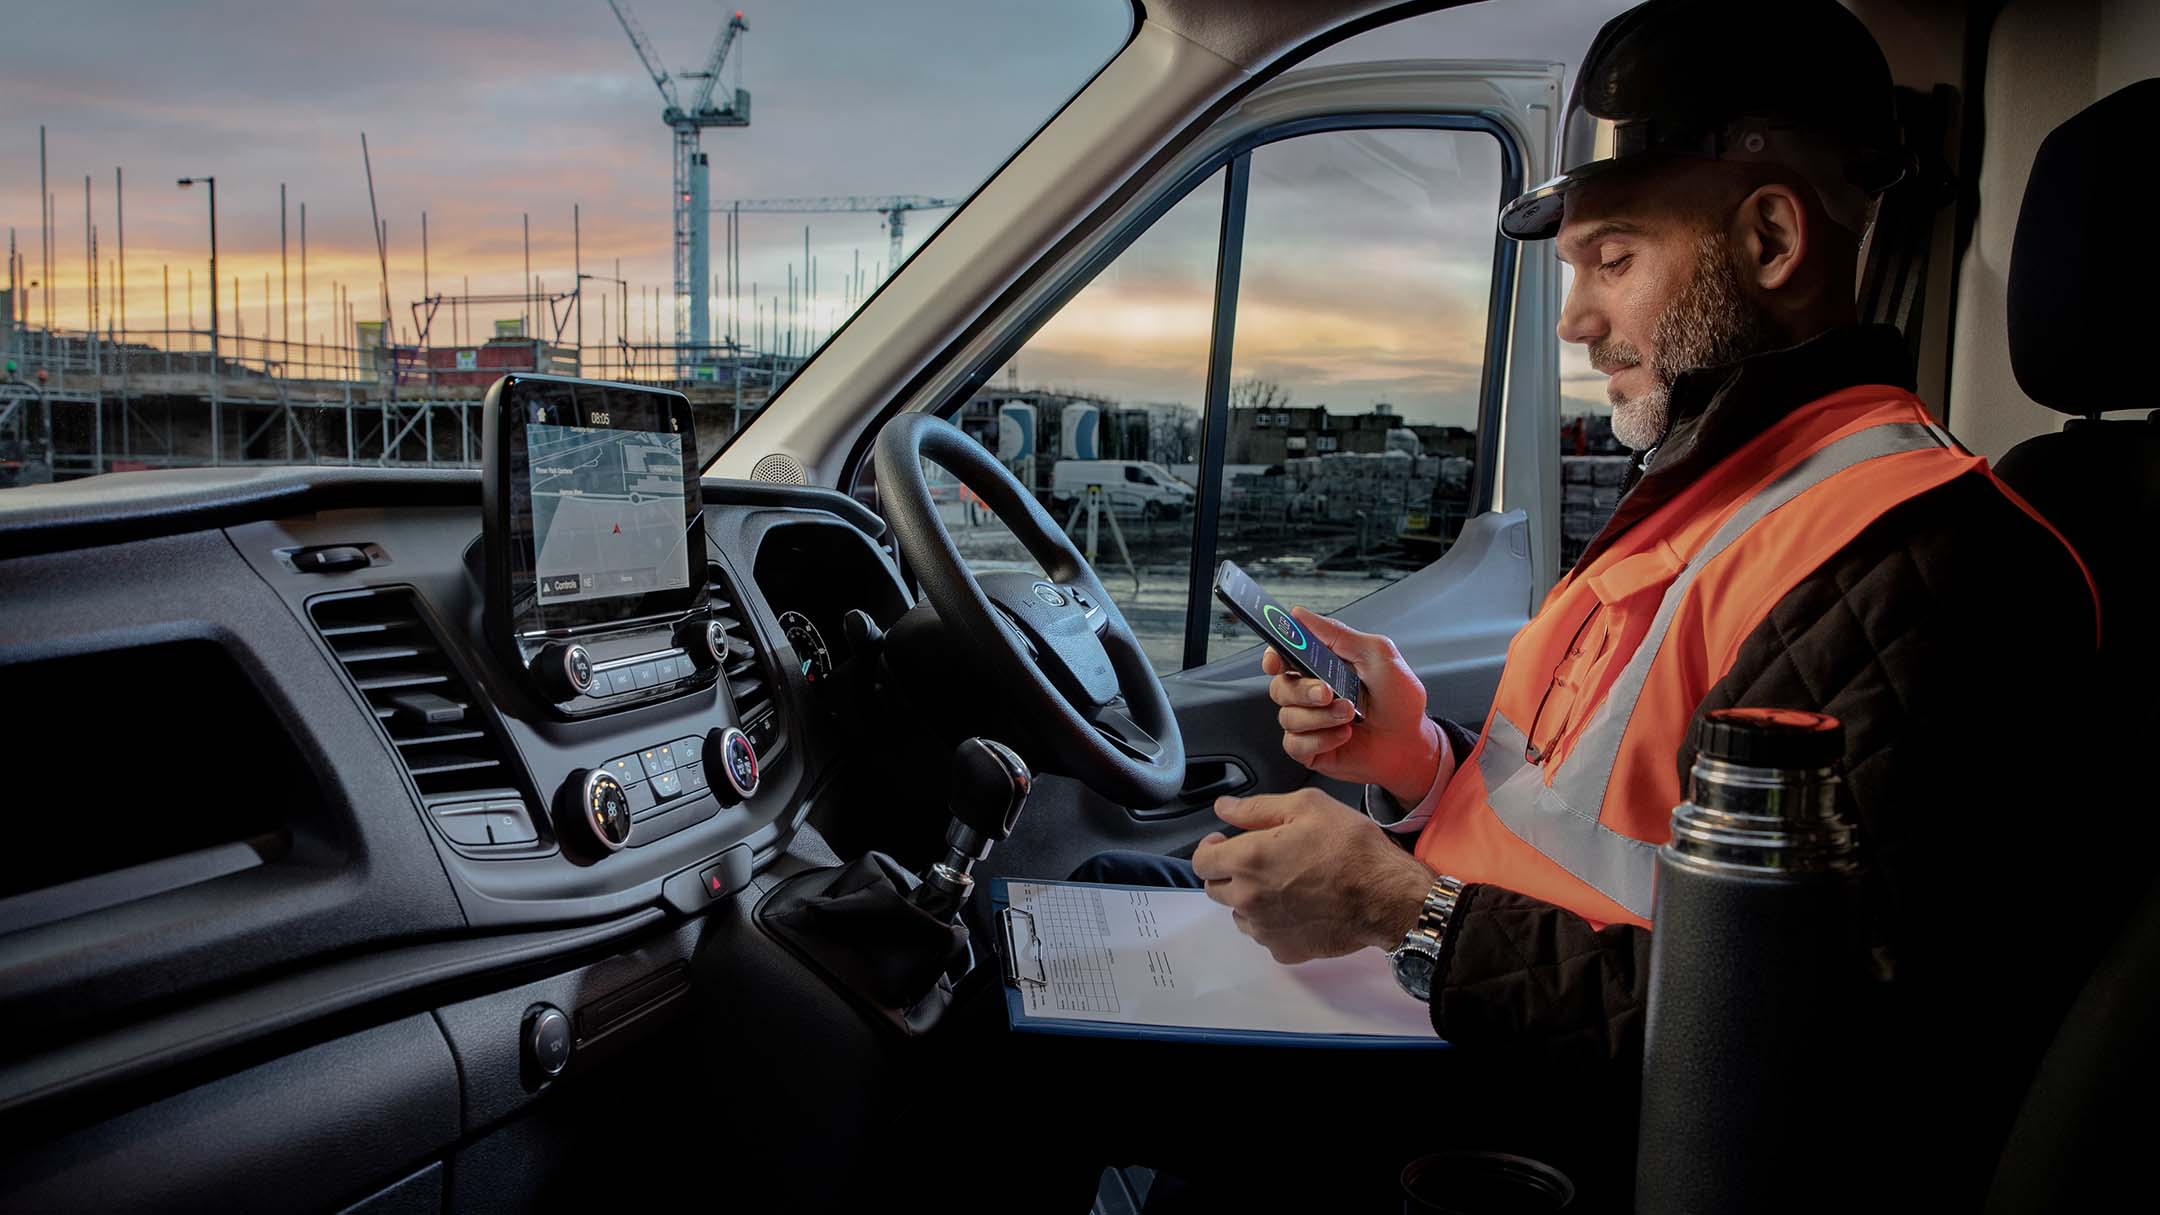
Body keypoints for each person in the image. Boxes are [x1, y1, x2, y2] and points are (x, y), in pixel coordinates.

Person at [1044, 0, 2107, 1207]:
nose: (1575, 320)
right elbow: (1594, 829)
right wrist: (1419, 764)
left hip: (1577, 1138)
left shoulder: (1923, 563)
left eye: (1613, 259)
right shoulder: (1726, 491)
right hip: (1494, 1043)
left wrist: (1402, 907)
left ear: (1769, 238)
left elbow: (1800, 1041)